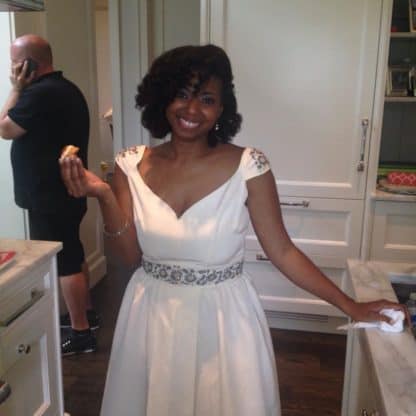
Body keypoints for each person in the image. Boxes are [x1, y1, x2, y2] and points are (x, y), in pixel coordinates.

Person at [60, 44, 407, 415]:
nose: (192, 110)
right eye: (182, 94)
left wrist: (350, 306)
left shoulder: (249, 166)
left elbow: (283, 251)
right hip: (151, 315)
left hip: (224, 319)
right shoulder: (130, 164)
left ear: (222, 109)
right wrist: (102, 195)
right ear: (162, 98)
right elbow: (129, 255)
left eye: (207, 99)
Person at [0, 34, 99, 356]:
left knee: (65, 260)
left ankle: (81, 333)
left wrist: (16, 88)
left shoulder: (38, 94)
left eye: (15, 61)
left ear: (28, 64)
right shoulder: (64, 88)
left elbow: (4, 128)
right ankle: (85, 316)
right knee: (74, 251)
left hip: (48, 194)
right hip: (63, 190)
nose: (12, 68)